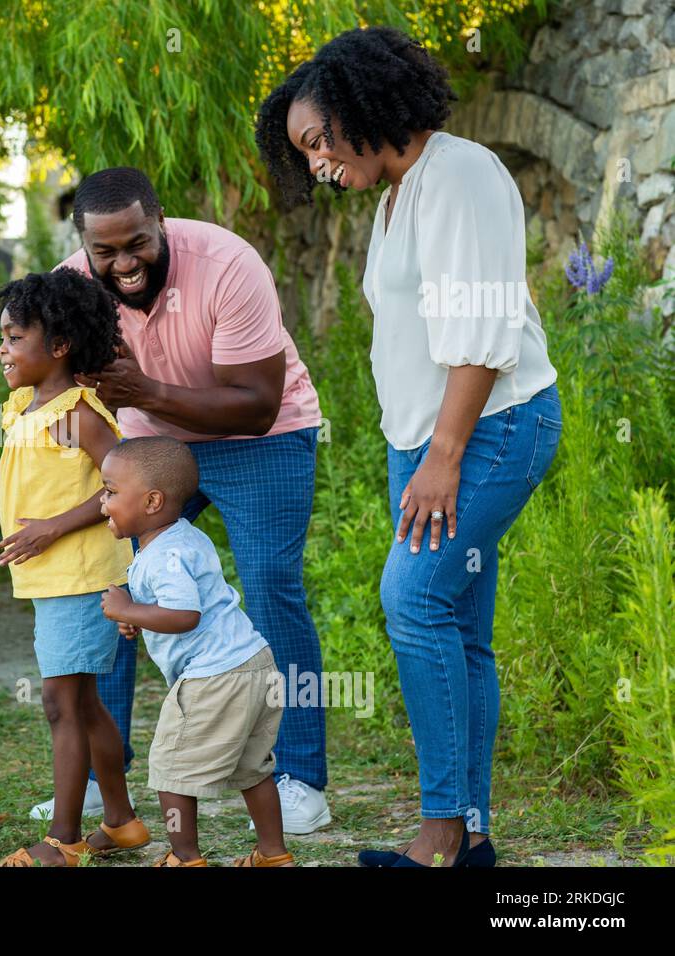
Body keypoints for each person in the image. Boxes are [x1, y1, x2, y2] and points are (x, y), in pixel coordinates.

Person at [256, 25, 561, 867]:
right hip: (426, 442)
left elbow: (481, 333)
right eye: (303, 151)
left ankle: (438, 837)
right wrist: (420, 449)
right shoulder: (396, 196)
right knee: (459, 629)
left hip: (489, 430)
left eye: (319, 139)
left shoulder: (458, 174)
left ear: (363, 105)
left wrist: (444, 456)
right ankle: (471, 838)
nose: (316, 162)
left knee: (413, 600)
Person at [23, 166, 331, 833]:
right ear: (83, 244)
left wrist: (147, 392)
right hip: (147, 446)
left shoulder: (227, 264)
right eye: (105, 251)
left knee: (271, 585)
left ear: (160, 220)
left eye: (137, 243)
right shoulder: (71, 285)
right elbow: (50, 387)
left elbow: (256, 405)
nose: (124, 263)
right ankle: (110, 786)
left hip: (263, 439)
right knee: (116, 587)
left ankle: (299, 775)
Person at [0, 268, 152, 866]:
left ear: (59, 347)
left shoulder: (78, 413)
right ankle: (121, 820)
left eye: (14, 337)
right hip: (57, 579)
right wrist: (0, 478)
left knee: (60, 703)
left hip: (81, 574)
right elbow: (32, 454)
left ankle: (65, 839)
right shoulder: (29, 404)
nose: (2, 348)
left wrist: (49, 527)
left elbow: (120, 482)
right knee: (84, 701)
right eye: (1, 337)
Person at [96, 436, 294, 867]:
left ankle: (184, 858)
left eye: (110, 491)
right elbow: (182, 602)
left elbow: (184, 614)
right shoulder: (184, 537)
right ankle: (273, 855)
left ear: (151, 501)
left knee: (170, 770)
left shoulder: (162, 555)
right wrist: (138, 616)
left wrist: (127, 607)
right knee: (254, 768)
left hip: (214, 678)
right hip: (254, 663)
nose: (102, 501)